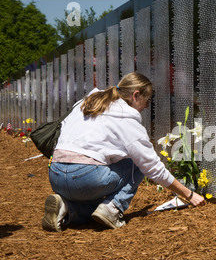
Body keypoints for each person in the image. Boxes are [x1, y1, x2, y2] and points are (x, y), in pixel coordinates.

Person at [42, 72, 205, 232]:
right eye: (147, 100)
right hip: (85, 178)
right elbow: (151, 166)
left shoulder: (89, 101)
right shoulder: (126, 117)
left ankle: (68, 209)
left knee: (107, 179)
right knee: (137, 162)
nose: (148, 106)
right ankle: (112, 209)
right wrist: (188, 194)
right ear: (135, 95)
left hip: (55, 174)